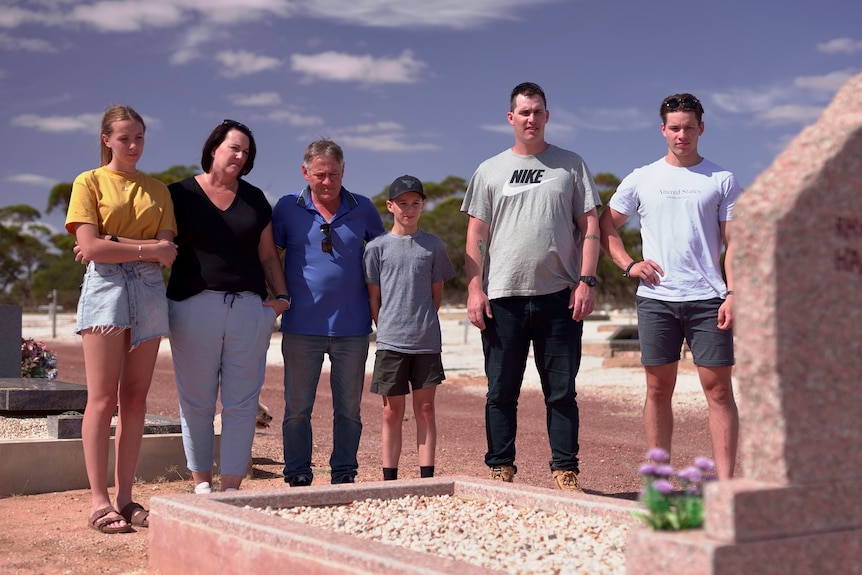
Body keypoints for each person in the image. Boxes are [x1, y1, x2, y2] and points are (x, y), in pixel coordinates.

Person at [460, 82, 601, 492]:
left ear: (547, 116)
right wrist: (474, 289)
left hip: (560, 296)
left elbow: (589, 225)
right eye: (524, 112)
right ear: (511, 118)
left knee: (561, 391)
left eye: (537, 111)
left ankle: (565, 469)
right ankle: (501, 466)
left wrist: (586, 281)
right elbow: (476, 235)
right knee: (501, 391)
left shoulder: (570, 165)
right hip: (502, 297)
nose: (531, 119)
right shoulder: (489, 170)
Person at [599, 93, 740, 479]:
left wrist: (733, 292)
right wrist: (629, 264)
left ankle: (725, 485)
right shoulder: (642, 177)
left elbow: (737, 244)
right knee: (658, 390)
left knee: (719, 391)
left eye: (689, 128)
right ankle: (659, 479)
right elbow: (604, 224)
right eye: (674, 128)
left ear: (701, 129)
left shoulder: (721, 179)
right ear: (663, 130)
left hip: (709, 300)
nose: (682, 135)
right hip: (657, 300)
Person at [67, 104, 177, 533]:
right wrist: (143, 248)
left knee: (135, 400)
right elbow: (91, 249)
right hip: (106, 289)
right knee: (101, 398)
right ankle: (99, 501)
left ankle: (127, 497)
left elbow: (167, 251)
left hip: (149, 290)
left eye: (140, 138)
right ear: (107, 140)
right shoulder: (88, 182)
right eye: (125, 138)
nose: (133, 146)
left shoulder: (158, 190)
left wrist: (116, 241)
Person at [166, 119, 291, 494]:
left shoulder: (254, 199)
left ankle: (232, 489)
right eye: (234, 147)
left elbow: (268, 256)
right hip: (192, 308)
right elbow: (155, 243)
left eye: (246, 152)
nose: (240, 156)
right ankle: (202, 485)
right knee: (197, 402)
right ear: (213, 148)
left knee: (242, 404)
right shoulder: (178, 195)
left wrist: (281, 300)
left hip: (249, 310)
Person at [272, 139, 385, 486]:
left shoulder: (363, 208)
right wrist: (275, 298)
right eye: (319, 175)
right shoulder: (286, 208)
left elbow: (384, 261)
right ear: (305, 172)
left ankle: (344, 473)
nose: (326, 181)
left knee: (349, 409)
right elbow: (270, 258)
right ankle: (298, 475)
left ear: (343, 171)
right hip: (301, 326)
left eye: (333, 174)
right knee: (297, 409)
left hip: (352, 328)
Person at [363, 175, 456, 481]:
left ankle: (426, 477)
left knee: (426, 409)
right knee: (391, 412)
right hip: (390, 343)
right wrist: (388, 326)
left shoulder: (433, 246)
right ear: (390, 206)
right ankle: (390, 480)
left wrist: (420, 322)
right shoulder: (376, 248)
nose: (409, 209)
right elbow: (373, 298)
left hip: (427, 341)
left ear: (423, 205)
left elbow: (436, 296)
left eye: (415, 203)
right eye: (402, 204)